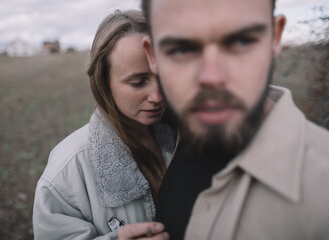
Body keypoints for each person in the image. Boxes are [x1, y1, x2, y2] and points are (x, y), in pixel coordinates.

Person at [141, 0, 329, 239]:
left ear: (275, 37)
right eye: (181, 49)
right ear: (152, 56)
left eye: (242, 41)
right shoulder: (176, 131)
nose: (212, 78)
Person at [33, 10, 174, 240]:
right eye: (138, 82)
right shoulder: (66, 172)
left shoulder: (191, 138)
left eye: (164, 76)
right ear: (103, 82)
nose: (157, 96)